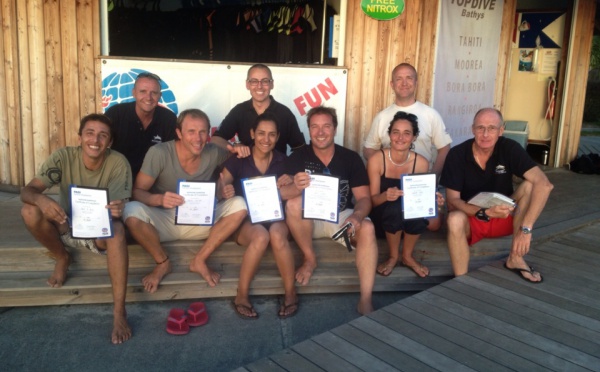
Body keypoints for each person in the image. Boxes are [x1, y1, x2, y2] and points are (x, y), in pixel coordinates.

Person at [20, 113, 132, 344]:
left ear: (109, 142)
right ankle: (62, 257)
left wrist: (117, 208)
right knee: (29, 210)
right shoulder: (63, 157)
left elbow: (117, 207)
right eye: (90, 133)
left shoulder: (118, 161)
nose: (95, 140)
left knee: (118, 230)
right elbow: (27, 191)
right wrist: (41, 200)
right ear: (79, 137)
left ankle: (119, 312)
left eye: (103, 135)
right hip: (66, 222)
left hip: (98, 229)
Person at [122, 109, 247, 293]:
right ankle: (162, 262)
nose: (198, 138)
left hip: (200, 220)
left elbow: (236, 161)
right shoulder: (159, 153)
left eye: (203, 132)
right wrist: (159, 199)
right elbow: (137, 192)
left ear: (209, 134)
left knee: (239, 204)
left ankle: (199, 260)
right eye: (191, 131)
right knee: (130, 210)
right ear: (179, 133)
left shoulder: (214, 152)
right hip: (163, 221)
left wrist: (222, 187)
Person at [281, 106, 378, 315]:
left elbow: (363, 199)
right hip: (308, 226)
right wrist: (295, 186)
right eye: (314, 127)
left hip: (339, 225)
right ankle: (310, 258)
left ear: (335, 129)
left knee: (368, 228)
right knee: (294, 203)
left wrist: (357, 215)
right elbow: (282, 195)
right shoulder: (297, 157)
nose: (320, 132)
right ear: (308, 130)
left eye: (326, 126)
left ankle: (365, 299)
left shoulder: (350, 158)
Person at [440, 108, 553, 282]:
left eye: (492, 128)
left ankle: (515, 258)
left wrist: (526, 229)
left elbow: (544, 185)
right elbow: (452, 200)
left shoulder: (509, 148)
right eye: (480, 128)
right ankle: (461, 279)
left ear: (501, 131)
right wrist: (483, 212)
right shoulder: (457, 154)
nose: (485, 134)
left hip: (505, 215)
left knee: (530, 184)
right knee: (454, 219)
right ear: (472, 129)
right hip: (473, 219)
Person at [220, 113, 298, 319]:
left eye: (272, 134)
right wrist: (224, 191)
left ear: (278, 137)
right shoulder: (238, 160)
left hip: (276, 218)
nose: (266, 139)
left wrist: (291, 180)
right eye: (261, 133)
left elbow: (298, 190)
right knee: (261, 237)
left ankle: (290, 293)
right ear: (252, 134)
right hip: (246, 222)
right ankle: (242, 294)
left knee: (277, 234)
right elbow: (220, 186)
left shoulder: (284, 161)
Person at [367, 111, 445, 278]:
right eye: (396, 132)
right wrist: (385, 196)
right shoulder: (377, 159)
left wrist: (433, 200)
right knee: (395, 206)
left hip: (409, 222)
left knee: (422, 212)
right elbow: (371, 201)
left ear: (414, 137)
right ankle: (393, 256)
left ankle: (407, 256)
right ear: (389, 135)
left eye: (407, 133)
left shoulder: (421, 163)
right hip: (382, 220)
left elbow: (421, 199)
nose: (400, 138)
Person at [363, 63, 452, 179]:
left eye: (409, 78)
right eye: (399, 79)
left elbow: (444, 148)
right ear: (392, 84)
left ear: (416, 83)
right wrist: (381, 168)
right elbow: (368, 149)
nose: (404, 83)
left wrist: (432, 178)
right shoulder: (382, 117)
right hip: (388, 183)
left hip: (420, 181)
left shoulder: (431, 115)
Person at [211, 63, 305, 156]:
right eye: (254, 81)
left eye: (265, 81)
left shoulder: (285, 114)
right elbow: (216, 139)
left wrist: (289, 167)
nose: (259, 86)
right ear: (247, 84)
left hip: (278, 170)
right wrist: (234, 148)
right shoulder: (239, 111)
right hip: (245, 170)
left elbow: (300, 149)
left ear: (271, 84)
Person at [105, 71, 177, 178]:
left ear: (160, 96)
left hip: (155, 180)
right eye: (143, 91)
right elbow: (101, 146)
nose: (148, 97)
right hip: (118, 177)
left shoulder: (169, 119)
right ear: (134, 93)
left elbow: (173, 157)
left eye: (154, 93)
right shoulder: (116, 113)